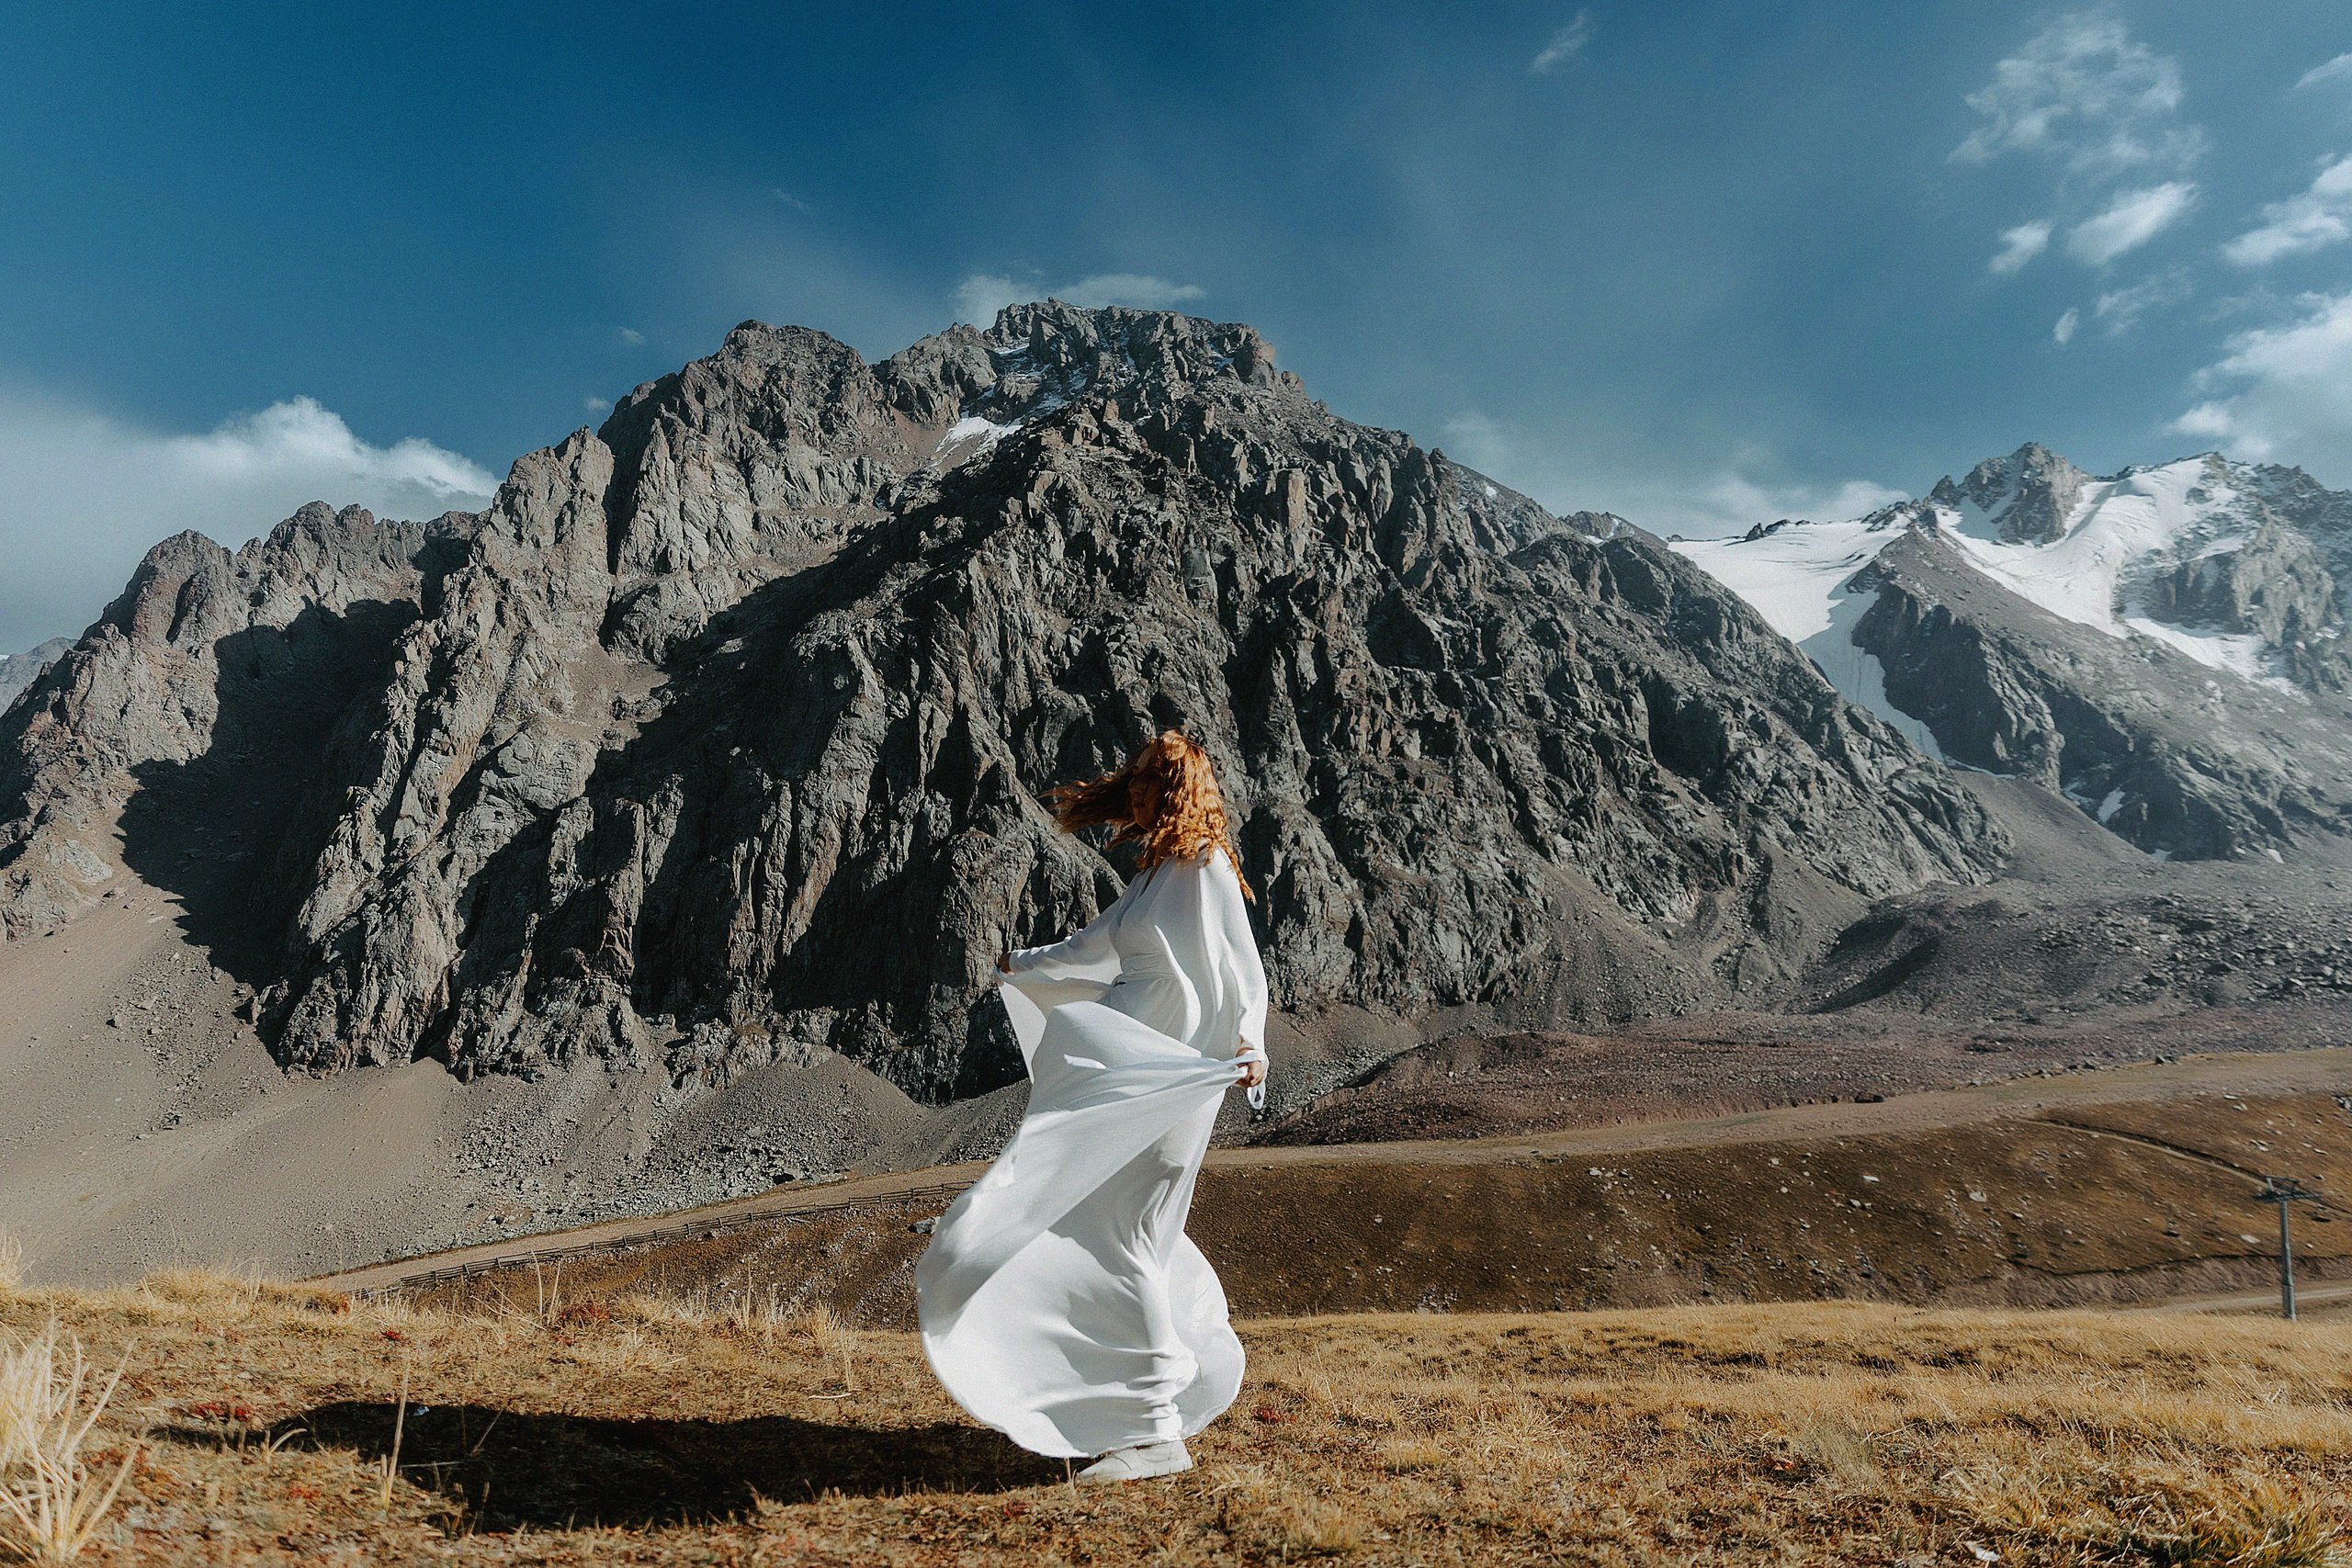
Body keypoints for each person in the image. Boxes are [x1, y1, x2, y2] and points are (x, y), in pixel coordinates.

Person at [915, 730, 1270, 1482]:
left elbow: (1246, 967)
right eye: (1133, 776)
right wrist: (1023, 964)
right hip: (1124, 1071)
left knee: (1127, 1236)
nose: (1137, 789)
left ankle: (1151, 1433)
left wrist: (1252, 1043)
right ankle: (1135, 1408)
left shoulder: (1204, 867)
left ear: (1181, 788)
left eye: (1152, 778)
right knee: (1108, 1231)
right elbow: (1093, 946)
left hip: (1166, 1078)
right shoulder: (1152, 877)